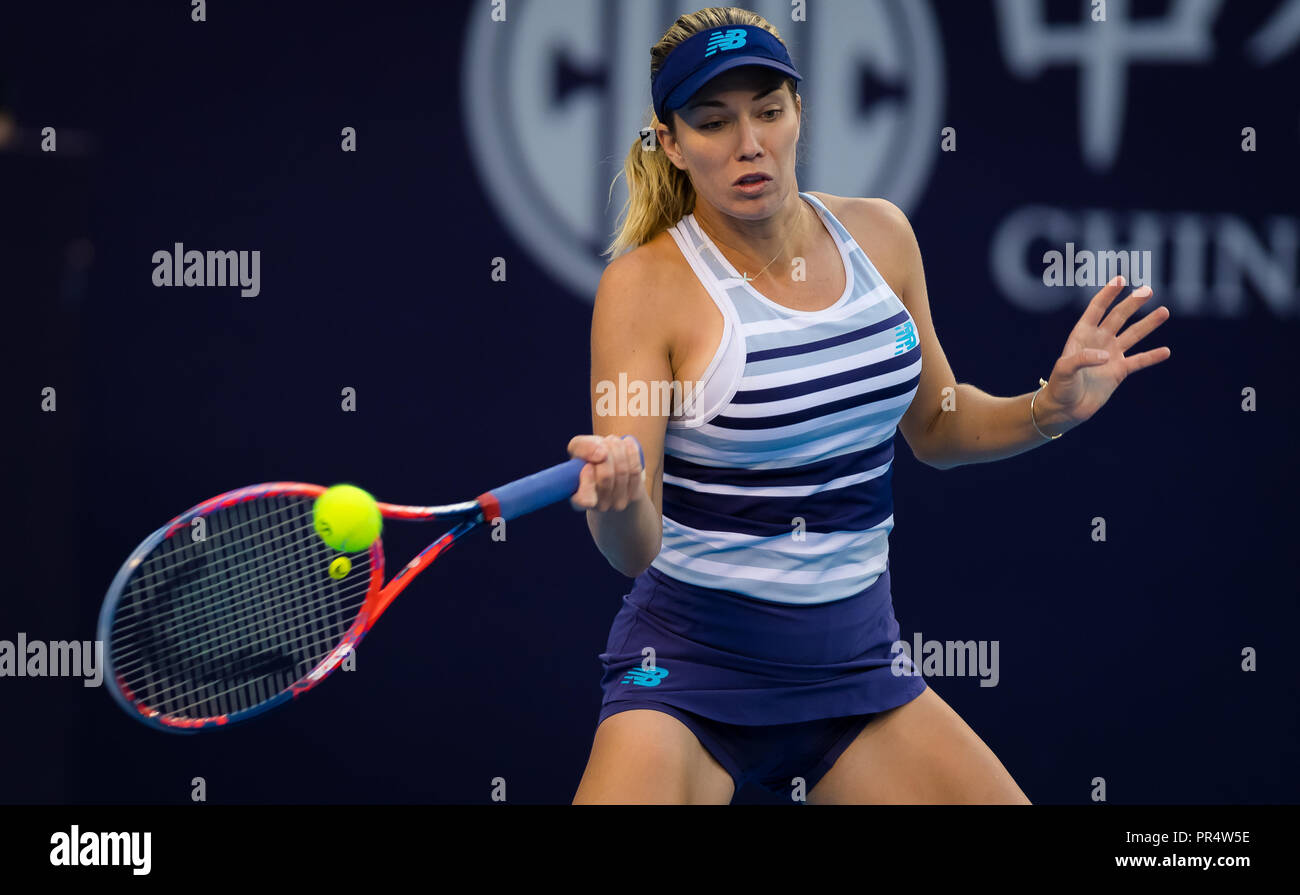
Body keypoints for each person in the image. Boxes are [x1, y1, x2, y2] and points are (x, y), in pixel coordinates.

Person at [567, 7, 1170, 804]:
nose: (749, 143)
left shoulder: (880, 238)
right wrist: (614, 502)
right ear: (672, 143)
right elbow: (632, 545)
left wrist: (1047, 408)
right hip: (689, 675)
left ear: (798, 113)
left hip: (859, 671)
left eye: (769, 112)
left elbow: (938, 425)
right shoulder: (643, 289)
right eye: (713, 122)